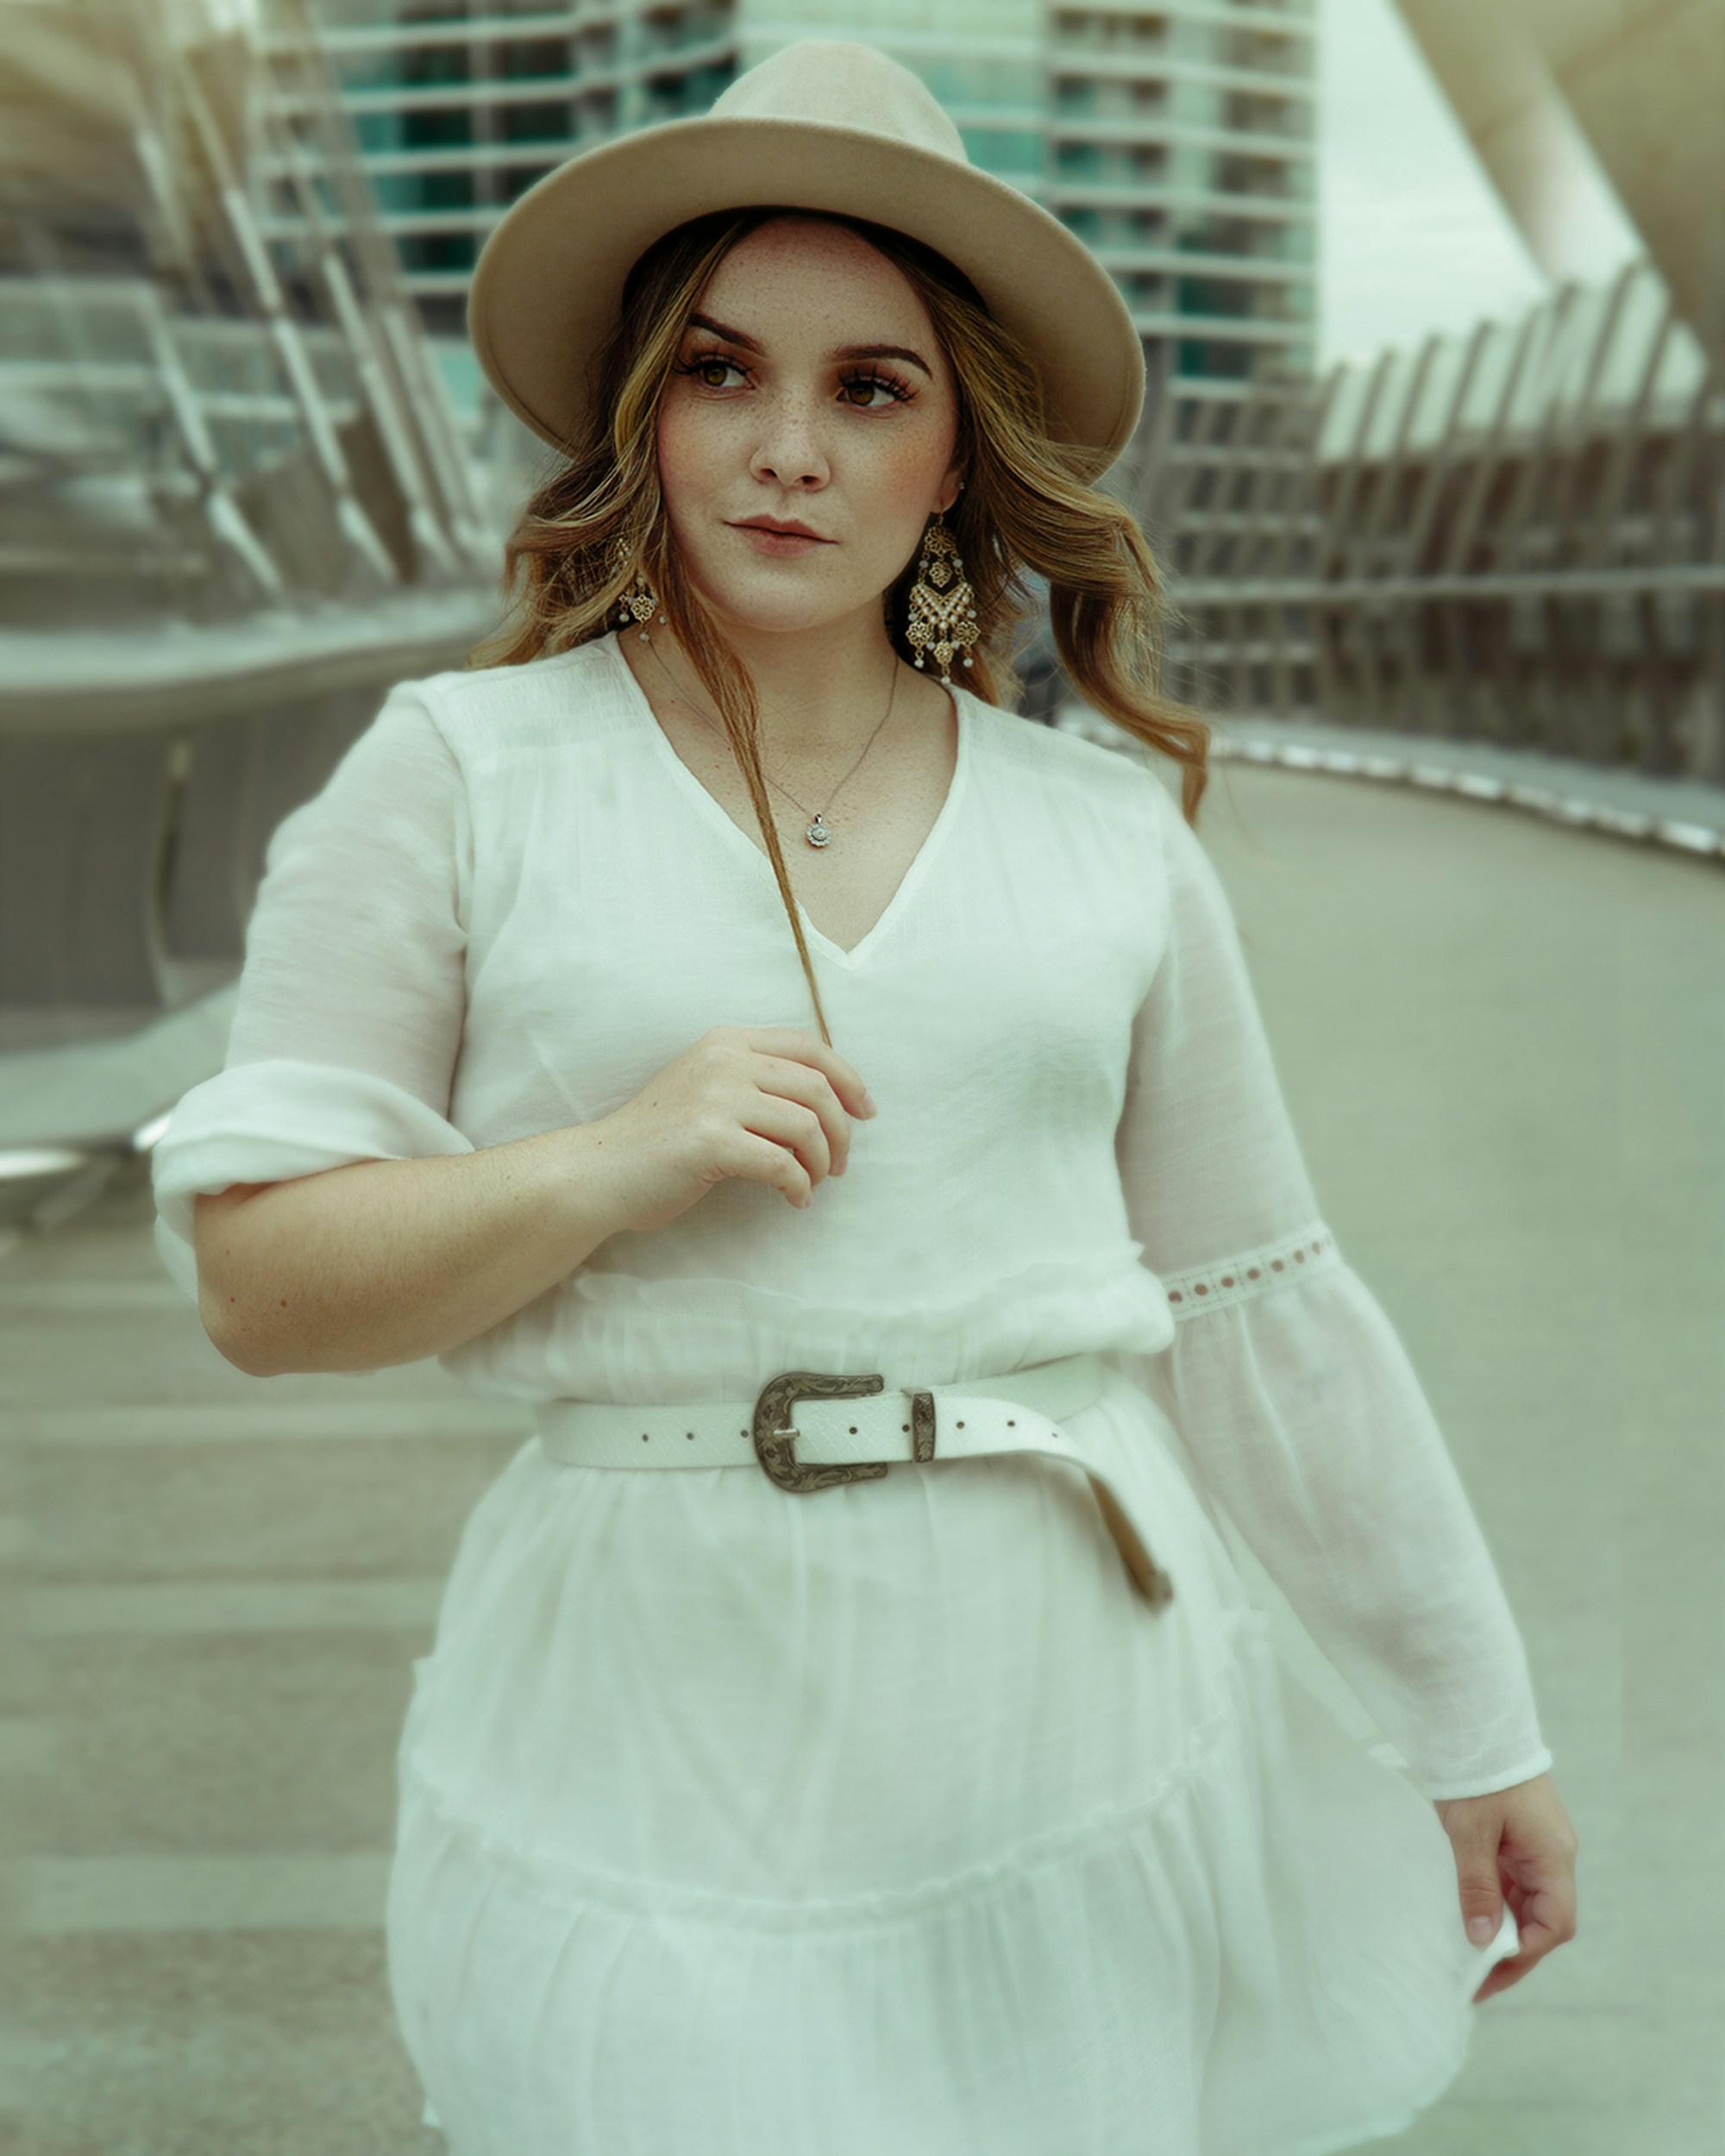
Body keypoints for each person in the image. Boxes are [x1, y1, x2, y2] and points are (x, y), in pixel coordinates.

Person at [149, 40, 1578, 2156]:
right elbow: (261, 1281)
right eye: (723, 372)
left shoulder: (1101, 837)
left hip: (1056, 1700)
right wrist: (603, 1162)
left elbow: (1264, 1306)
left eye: (868, 388)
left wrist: (1476, 1725)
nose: (786, 447)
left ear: (955, 458)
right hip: (634, 1704)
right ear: (643, 412)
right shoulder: (452, 774)